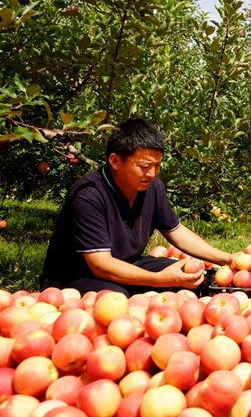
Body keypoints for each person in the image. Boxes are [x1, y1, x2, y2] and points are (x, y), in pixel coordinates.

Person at [40, 119, 236, 295]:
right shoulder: (89, 195)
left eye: (157, 166)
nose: (152, 173)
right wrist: (158, 280)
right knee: (116, 298)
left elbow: (177, 232)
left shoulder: (152, 187)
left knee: (195, 276)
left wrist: (226, 259)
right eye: (144, 166)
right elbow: (101, 265)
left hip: (129, 264)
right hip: (74, 277)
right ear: (115, 161)